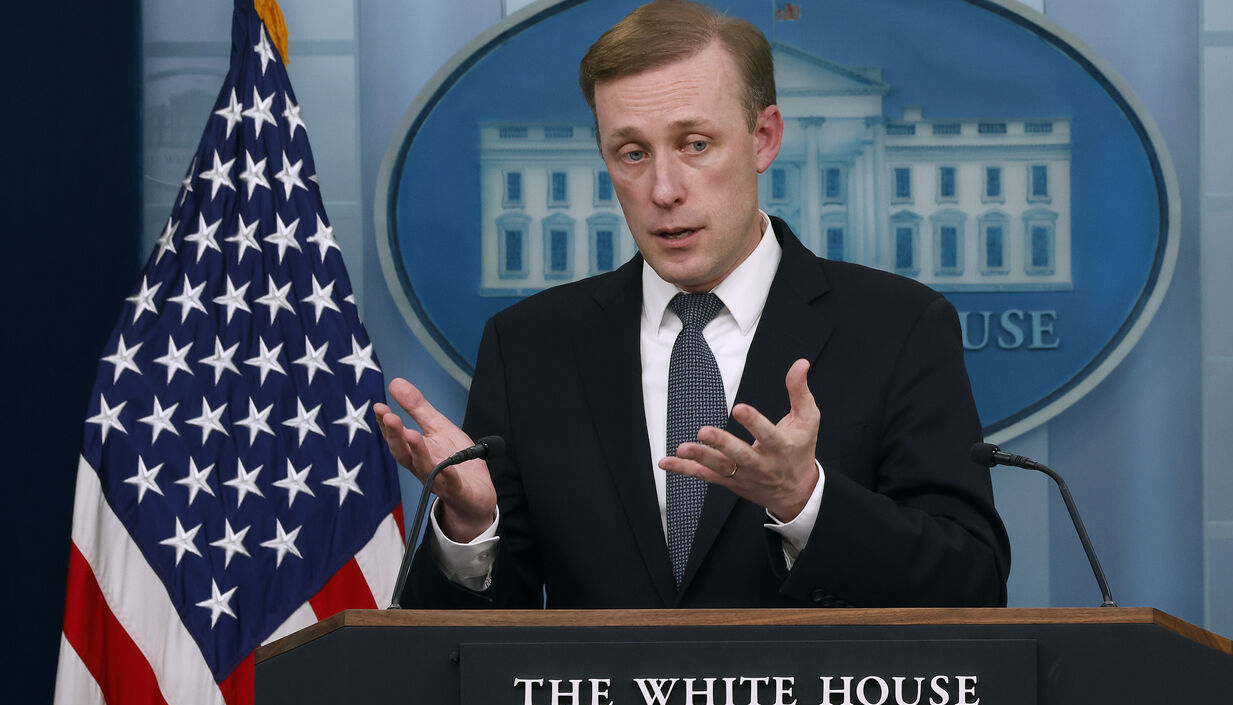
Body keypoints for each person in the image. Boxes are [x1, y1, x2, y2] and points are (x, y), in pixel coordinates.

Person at [375, 0, 1010, 609]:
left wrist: (804, 501)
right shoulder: (529, 347)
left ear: (763, 139)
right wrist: (471, 528)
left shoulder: (898, 327)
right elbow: (465, 654)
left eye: (695, 144)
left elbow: (973, 582)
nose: (664, 189)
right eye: (632, 153)